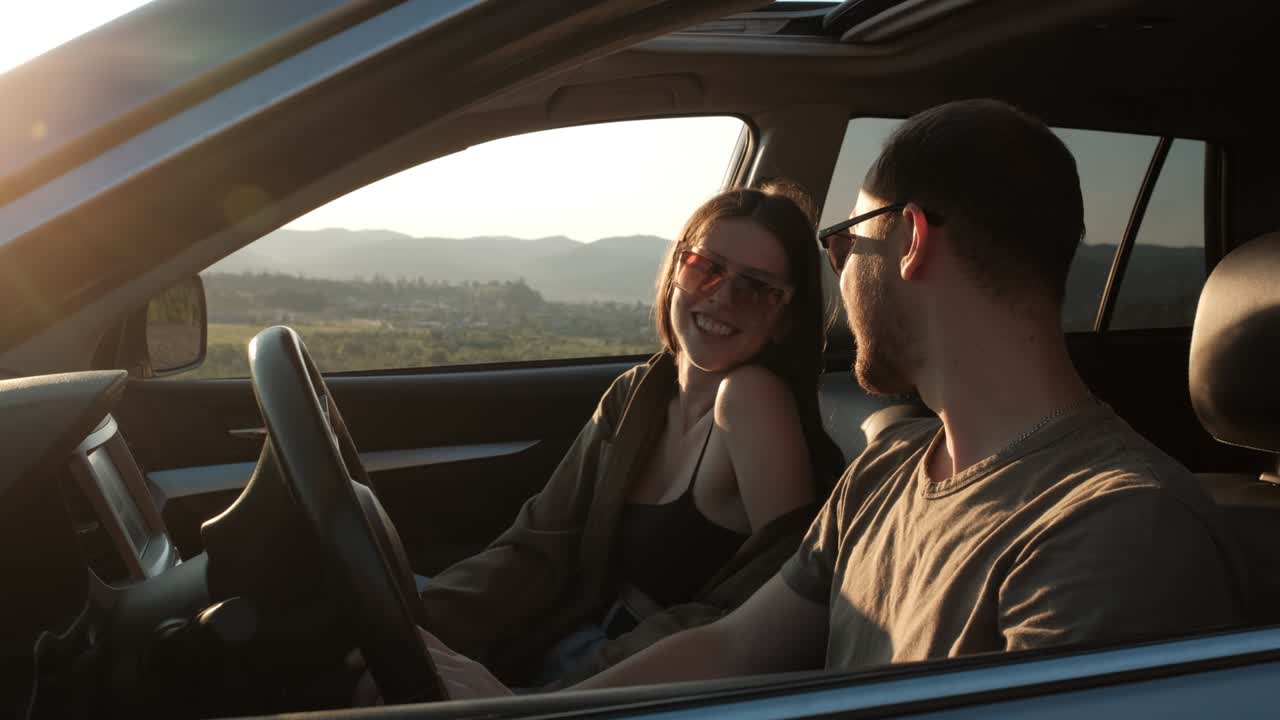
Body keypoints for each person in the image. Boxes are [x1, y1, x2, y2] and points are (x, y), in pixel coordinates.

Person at [422, 98, 1246, 699]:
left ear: (912, 239)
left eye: (846, 242)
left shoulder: (1116, 531)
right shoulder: (886, 473)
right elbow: (735, 647)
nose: (841, 271)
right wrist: (527, 709)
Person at [417, 180, 845, 690]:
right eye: (705, 267)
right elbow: (537, 547)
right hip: (565, 637)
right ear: (676, 272)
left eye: (755, 288)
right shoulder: (636, 395)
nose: (723, 296)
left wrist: (534, 703)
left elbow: (772, 604)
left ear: (783, 319)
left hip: (636, 680)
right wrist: (417, 624)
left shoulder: (751, 400)